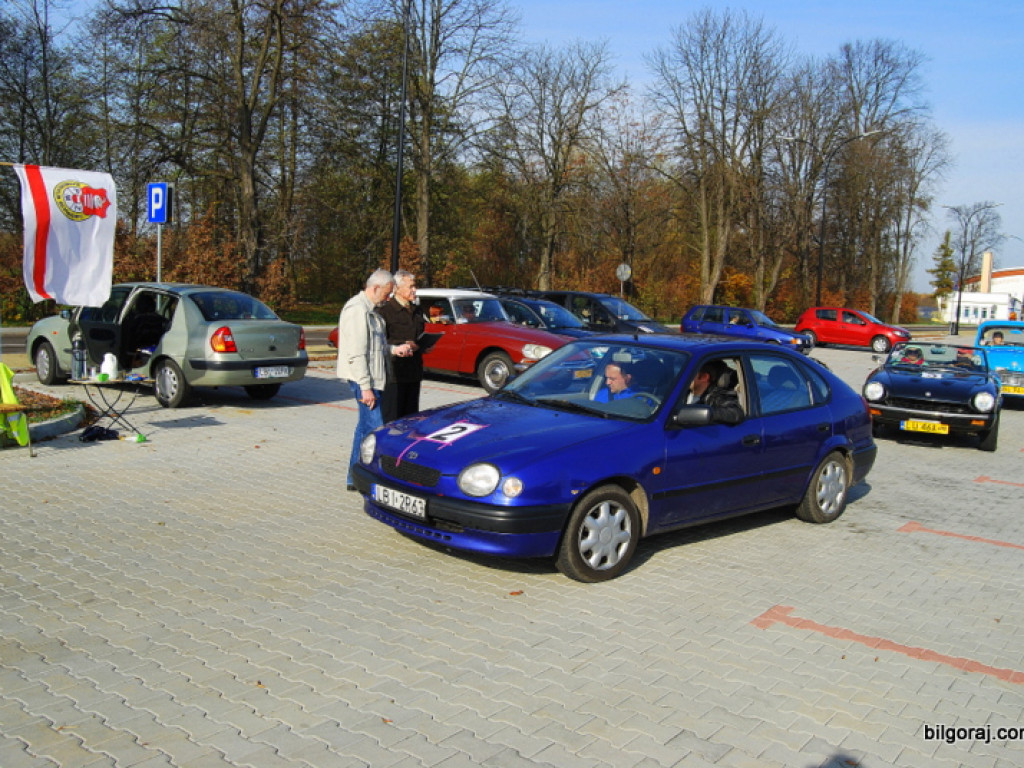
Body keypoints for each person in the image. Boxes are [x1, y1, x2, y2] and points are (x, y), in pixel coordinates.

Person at [337, 269, 413, 490]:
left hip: (372, 379)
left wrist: (394, 349)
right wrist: (365, 388)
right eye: (388, 293)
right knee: (377, 430)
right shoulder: (356, 311)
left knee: (365, 428)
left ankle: (354, 477)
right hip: (364, 380)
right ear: (375, 287)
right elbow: (357, 353)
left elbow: (375, 347)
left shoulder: (372, 311)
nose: (389, 298)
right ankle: (377, 480)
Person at [377, 270, 425, 423]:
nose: (414, 290)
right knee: (392, 419)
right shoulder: (385, 311)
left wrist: (422, 345)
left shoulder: (417, 311)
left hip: (413, 371)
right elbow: (379, 342)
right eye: (411, 286)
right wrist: (399, 346)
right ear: (397, 288)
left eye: (414, 286)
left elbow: (419, 335)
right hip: (394, 374)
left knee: (411, 418)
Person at [686, 359, 744, 425]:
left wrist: (708, 413)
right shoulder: (682, 392)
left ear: (705, 377)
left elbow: (735, 413)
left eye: (691, 373)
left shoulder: (717, 397)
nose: (685, 376)